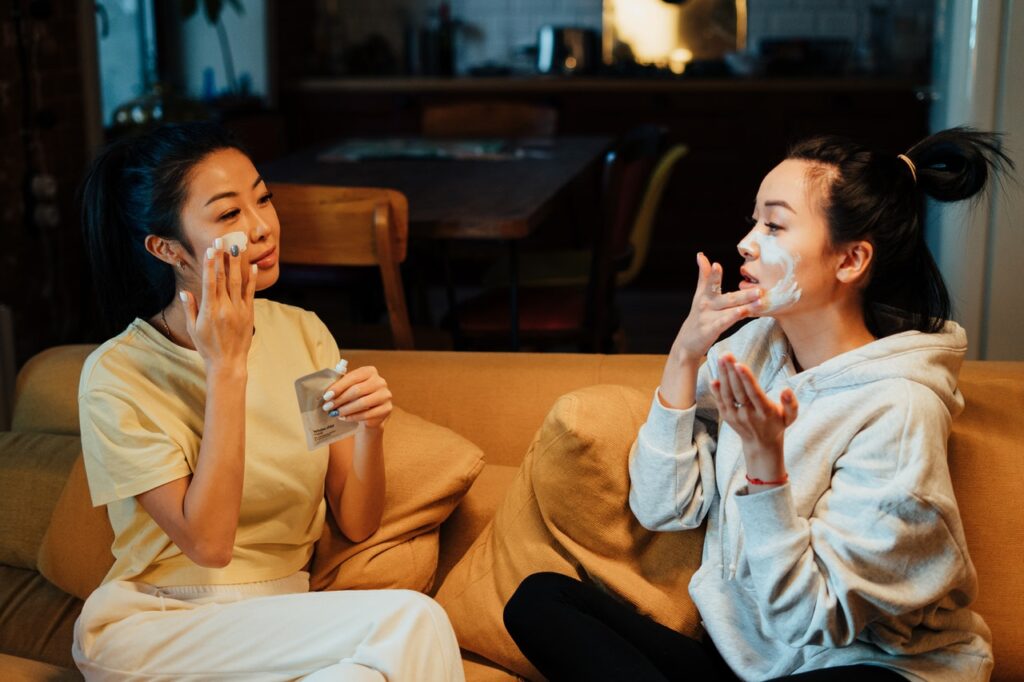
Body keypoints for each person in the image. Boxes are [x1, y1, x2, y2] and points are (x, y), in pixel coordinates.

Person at [503, 127, 1012, 681]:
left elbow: (812, 618)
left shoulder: (901, 408)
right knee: (540, 601)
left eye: (773, 224)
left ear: (850, 260)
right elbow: (662, 507)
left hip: (866, 665)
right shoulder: (756, 346)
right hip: (751, 665)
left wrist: (767, 468)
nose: (746, 242)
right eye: (754, 220)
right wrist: (684, 356)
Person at [73, 121, 464, 681]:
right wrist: (224, 366)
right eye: (229, 214)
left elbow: (355, 521)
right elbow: (208, 543)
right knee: (412, 620)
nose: (262, 228)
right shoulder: (116, 374)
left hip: (283, 621)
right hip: (158, 627)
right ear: (167, 248)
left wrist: (371, 429)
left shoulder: (304, 336)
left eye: (263, 199)